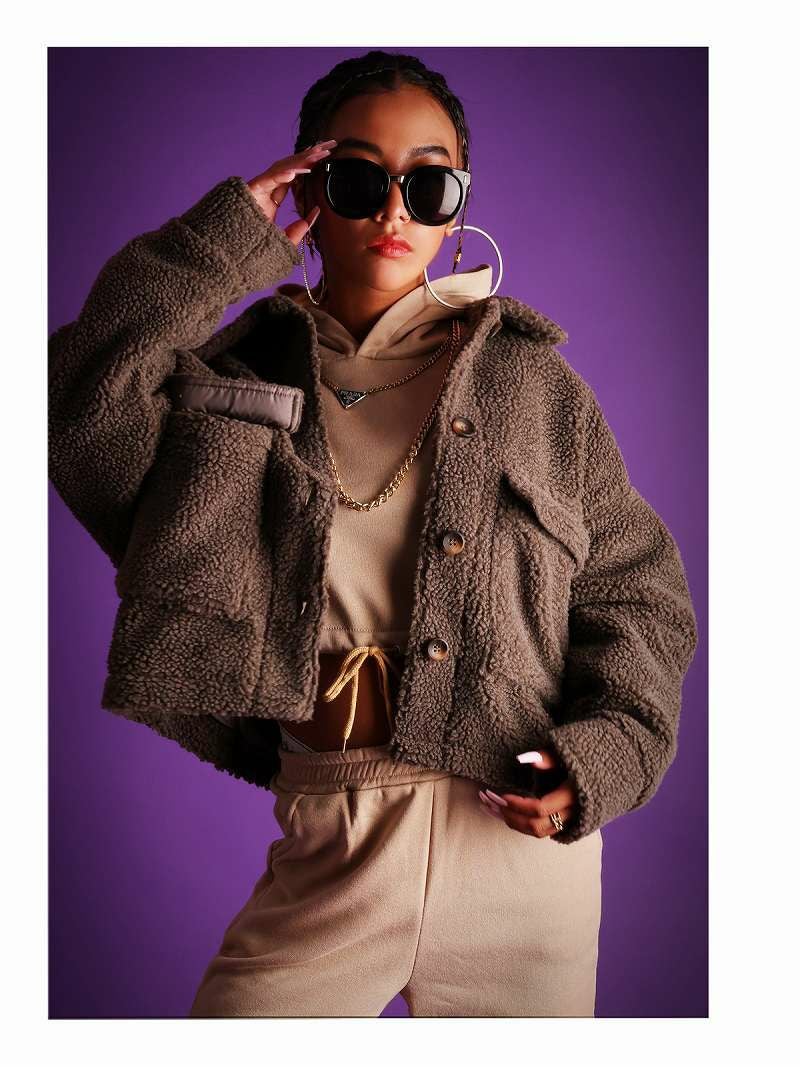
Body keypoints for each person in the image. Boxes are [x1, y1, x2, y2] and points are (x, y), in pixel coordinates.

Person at [48, 50, 699, 1018]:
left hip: (517, 858)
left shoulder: (533, 385)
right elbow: (77, 405)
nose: (394, 209)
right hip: (330, 825)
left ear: (458, 204)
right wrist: (222, 241)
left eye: (428, 184)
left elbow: (637, 595)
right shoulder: (230, 377)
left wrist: (601, 758)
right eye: (358, 178)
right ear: (310, 188)